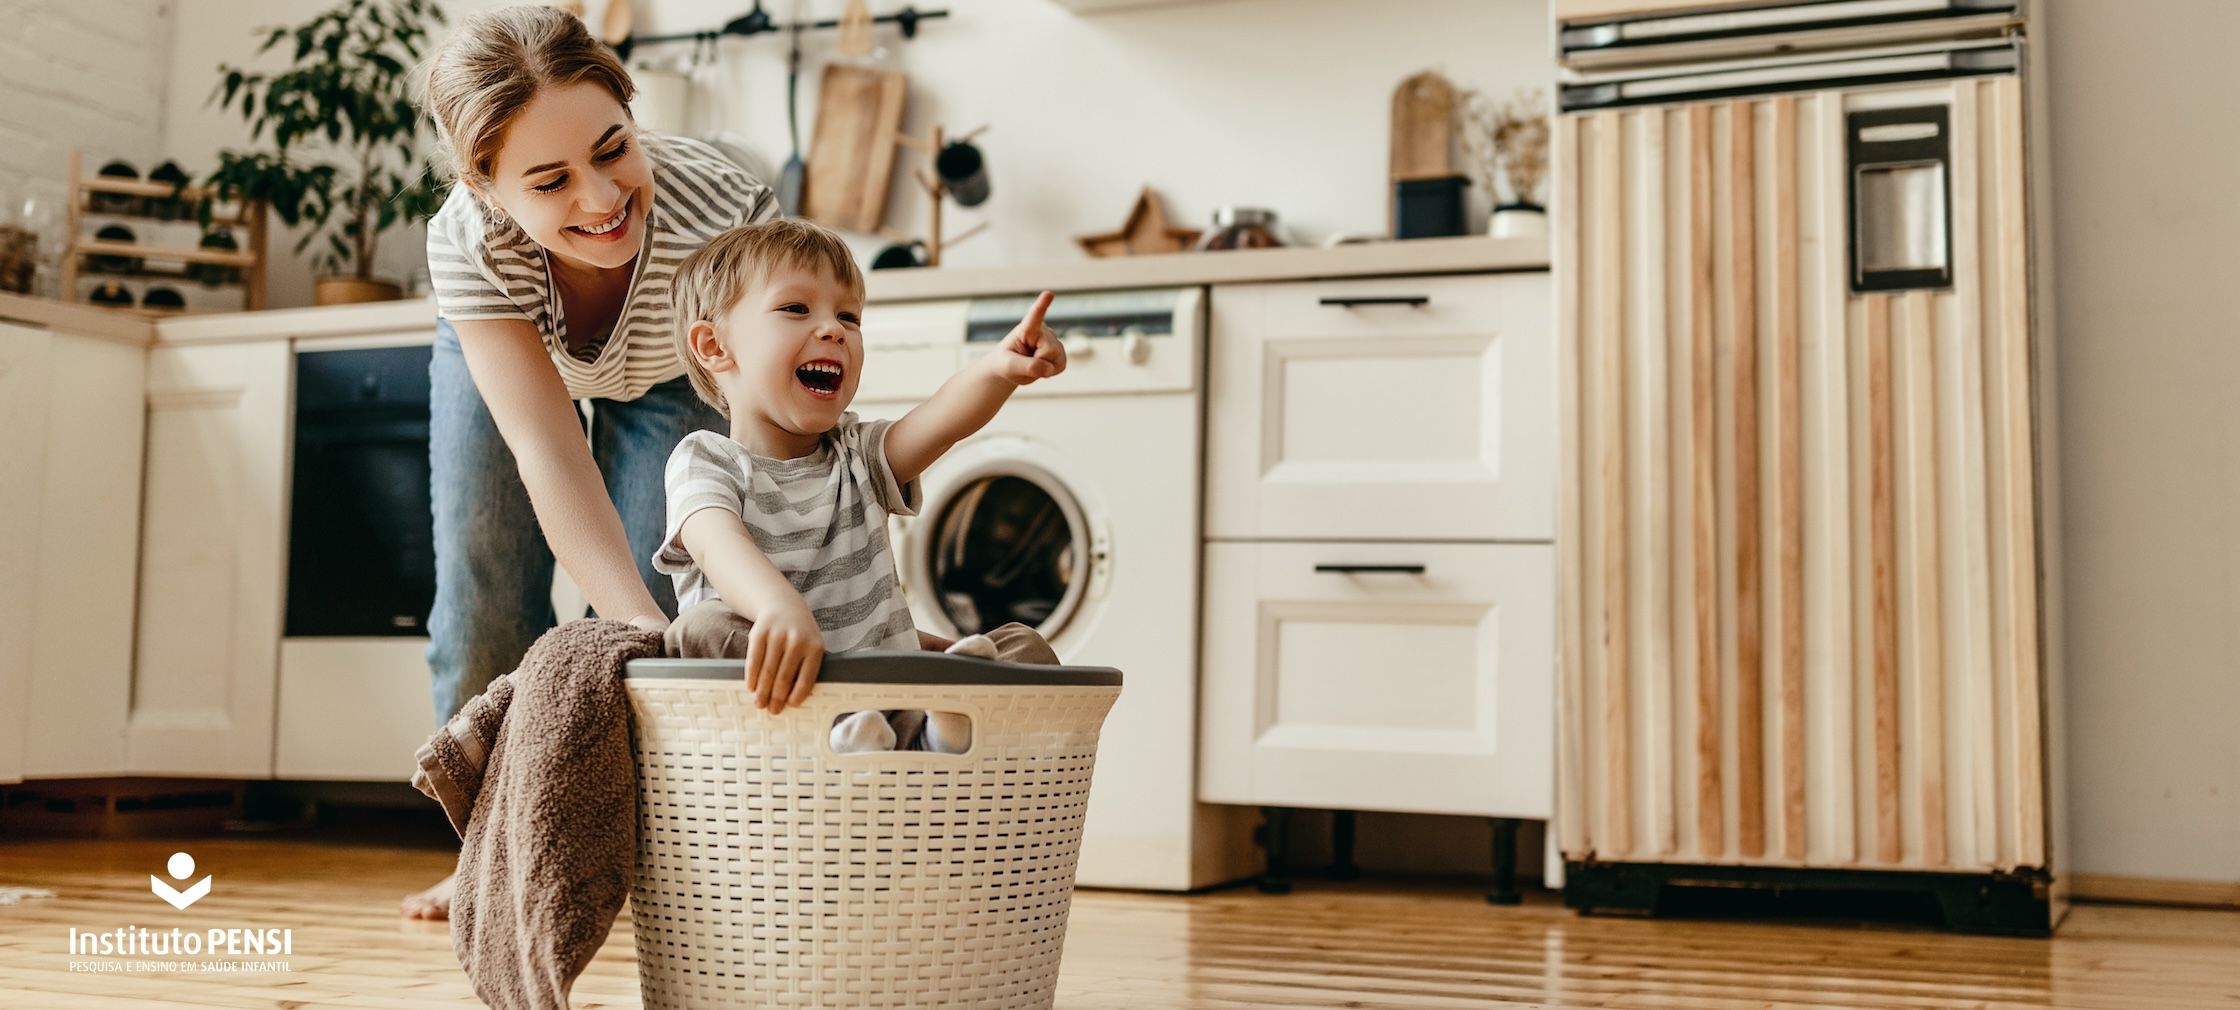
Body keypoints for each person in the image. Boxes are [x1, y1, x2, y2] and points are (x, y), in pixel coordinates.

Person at [402, 4, 778, 920]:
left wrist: (665, 628)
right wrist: (639, 630)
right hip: (516, 348)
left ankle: (653, 860)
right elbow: (545, 449)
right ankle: (491, 855)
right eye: (551, 180)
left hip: (675, 370)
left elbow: (767, 416)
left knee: (667, 592)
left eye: (614, 149)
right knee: (486, 583)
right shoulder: (470, 243)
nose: (602, 199)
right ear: (489, 190)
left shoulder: (726, 211)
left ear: (630, 110)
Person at [655, 219, 1066, 753]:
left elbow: (941, 420)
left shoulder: (857, 454)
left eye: (848, 316)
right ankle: (850, 738)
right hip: (779, 706)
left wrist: (998, 370)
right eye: (796, 309)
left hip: (892, 692)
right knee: (699, 631)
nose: (834, 330)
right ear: (714, 346)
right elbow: (717, 543)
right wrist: (779, 609)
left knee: (1023, 647)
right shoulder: (705, 460)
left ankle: (936, 735)